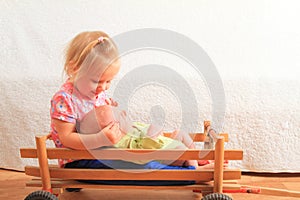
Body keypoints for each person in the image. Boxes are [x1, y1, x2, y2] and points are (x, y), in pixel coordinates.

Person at [80, 104, 198, 167]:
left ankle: (198, 159)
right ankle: (196, 170)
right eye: (121, 116)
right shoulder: (124, 143)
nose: (124, 113)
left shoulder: (132, 126)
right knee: (182, 149)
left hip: (165, 144)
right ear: (114, 130)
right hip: (164, 156)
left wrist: (156, 131)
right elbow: (142, 156)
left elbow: (148, 129)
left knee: (180, 133)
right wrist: (151, 136)